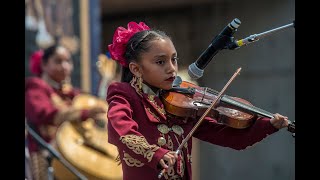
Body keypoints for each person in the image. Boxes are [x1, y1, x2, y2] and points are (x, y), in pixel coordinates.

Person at [106, 21, 289, 180]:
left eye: (174, 60)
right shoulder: (124, 94)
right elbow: (120, 129)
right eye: (160, 62)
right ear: (136, 69)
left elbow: (229, 137)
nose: (172, 69)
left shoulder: (180, 105)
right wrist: (154, 153)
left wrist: (267, 125)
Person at [25, 44, 106, 180]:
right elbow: (44, 114)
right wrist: (84, 113)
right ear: (44, 64)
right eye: (58, 61)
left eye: (68, 61)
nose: (64, 66)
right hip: (47, 157)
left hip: (73, 156)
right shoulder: (36, 87)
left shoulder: (71, 93)